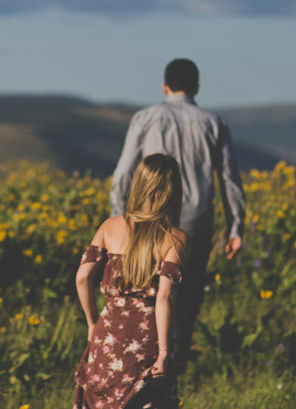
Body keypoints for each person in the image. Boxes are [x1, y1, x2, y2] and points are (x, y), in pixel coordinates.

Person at [109, 58, 246, 355]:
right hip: (197, 221)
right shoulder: (214, 122)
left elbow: (123, 173)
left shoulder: (145, 118)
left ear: (164, 86)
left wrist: (119, 218)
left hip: (149, 221)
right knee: (191, 286)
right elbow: (229, 178)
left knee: (149, 287)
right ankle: (179, 347)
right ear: (196, 87)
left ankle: (151, 349)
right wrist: (236, 227)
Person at [74, 154, 189, 409]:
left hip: (107, 335)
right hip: (147, 340)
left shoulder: (109, 227)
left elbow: (82, 277)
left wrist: (93, 323)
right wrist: (164, 353)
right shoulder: (176, 238)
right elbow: (165, 297)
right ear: (173, 191)